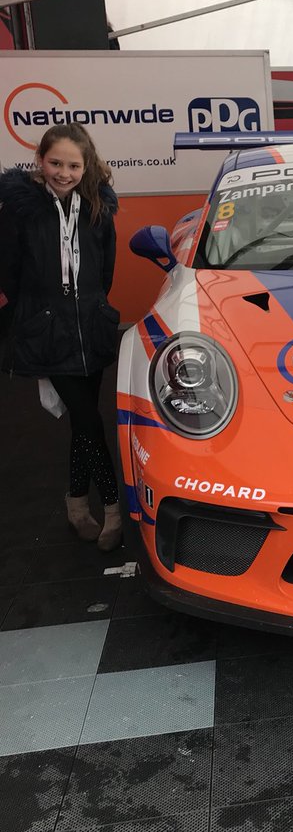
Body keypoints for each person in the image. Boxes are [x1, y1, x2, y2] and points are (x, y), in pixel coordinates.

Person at [0, 123, 122, 550]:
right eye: (55, 163)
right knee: (90, 419)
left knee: (81, 421)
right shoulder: (21, 208)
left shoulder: (97, 208)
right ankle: (112, 507)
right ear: (40, 159)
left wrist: (88, 304)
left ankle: (74, 504)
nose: (63, 172)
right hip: (48, 330)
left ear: (85, 166)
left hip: (90, 326)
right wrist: (43, 310)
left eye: (73, 165)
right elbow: (9, 272)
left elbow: (105, 269)